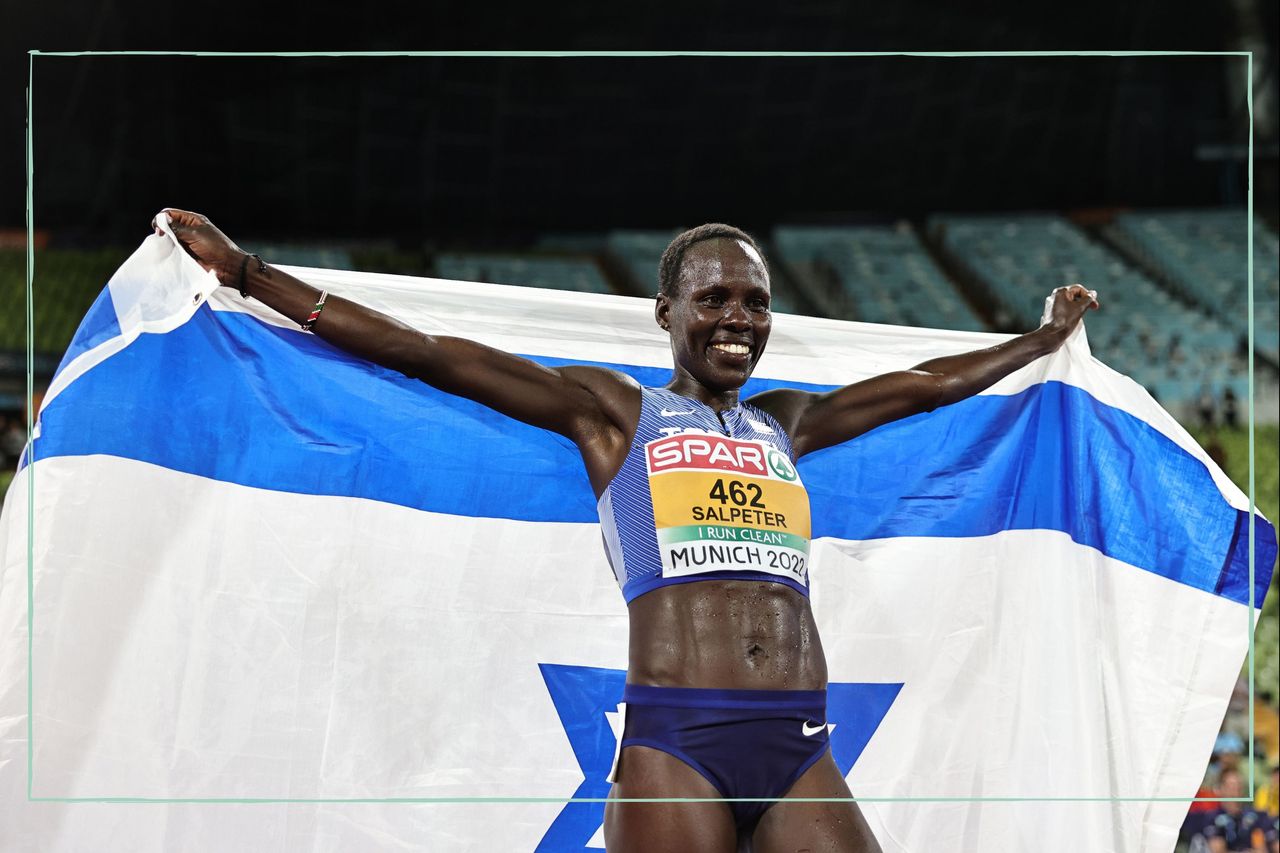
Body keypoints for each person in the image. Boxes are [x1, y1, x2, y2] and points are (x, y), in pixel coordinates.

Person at [157, 209, 1098, 853]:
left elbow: (925, 386)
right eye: (716, 298)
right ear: (667, 312)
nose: (739, 318)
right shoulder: (615, 413)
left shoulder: (786, 425)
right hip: (675, 746)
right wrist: (249, 275)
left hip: (800, 743)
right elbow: (429, 354)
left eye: (756, 302)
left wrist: (1041, 341)